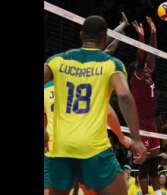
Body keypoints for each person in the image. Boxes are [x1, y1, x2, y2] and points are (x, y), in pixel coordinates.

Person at [44, 15, 147, 195]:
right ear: (105, 37)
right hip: (93, 148)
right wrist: (136, 139)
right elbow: (124, 95)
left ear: (81, 35)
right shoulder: (111, 65)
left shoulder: (56, 61)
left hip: (60, 147)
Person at [130, 16, 162, 195]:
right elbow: (142, 55)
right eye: (146, 67)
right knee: (143, 162)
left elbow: (153, 53)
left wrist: (153, 33)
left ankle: (157, 193)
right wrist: (141, 37)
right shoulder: (137, 78)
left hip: (151, 122)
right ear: (138, 70)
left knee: (154, 160)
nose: (150, 68)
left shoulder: (148, 74)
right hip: (140, 124)